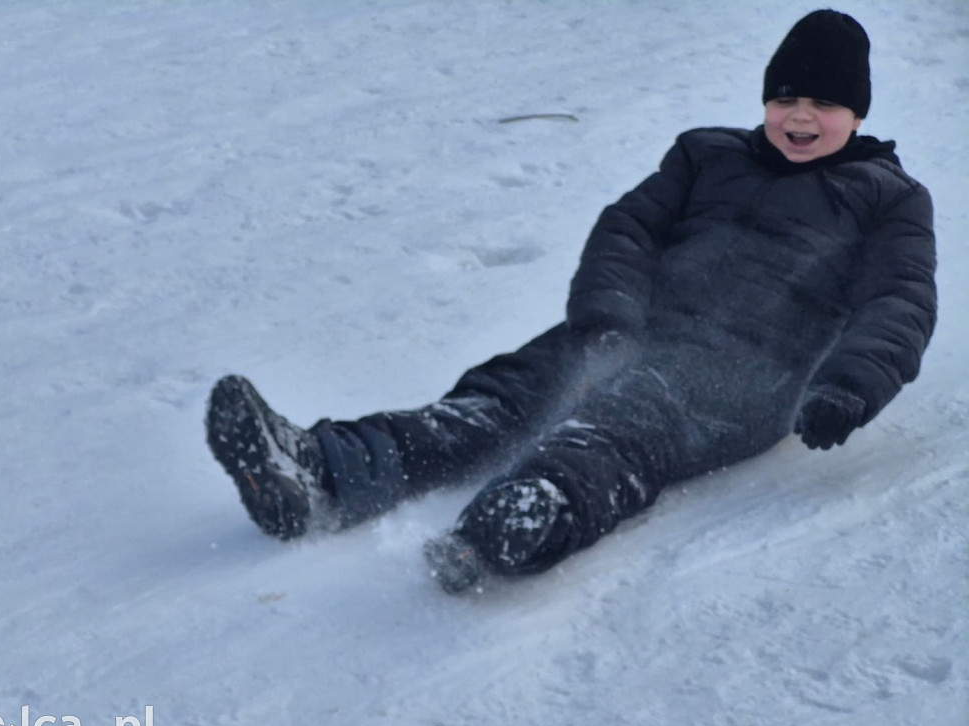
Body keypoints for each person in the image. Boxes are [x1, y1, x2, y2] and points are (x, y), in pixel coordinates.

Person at [205, 10, 937, 593]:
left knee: (618, 430)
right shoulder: (706, 153)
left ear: (858, 114)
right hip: (634, 329)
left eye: (824, 102)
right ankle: (323, 472)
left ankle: (529, 516)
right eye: (785, 97)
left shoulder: (887, 200)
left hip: (748, 378)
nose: (799, 116)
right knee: (504, 395)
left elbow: (899, 301)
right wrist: (608, 316)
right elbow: (629, 226)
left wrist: (848, 386)